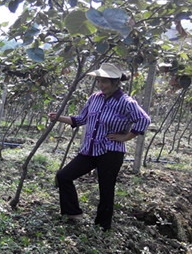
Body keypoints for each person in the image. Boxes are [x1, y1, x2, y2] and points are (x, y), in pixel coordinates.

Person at [48, 63, 151, 230]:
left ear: (115, 82)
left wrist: (126, 137)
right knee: (63, 176)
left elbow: (144, 119)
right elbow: (81, 119)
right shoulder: (94, 98)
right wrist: (58, 117)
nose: (101, 85)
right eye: (99, 81)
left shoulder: (125, 102)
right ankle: (73, 213)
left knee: (106, 188)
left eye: (105, 82)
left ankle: (102, 226)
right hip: (89, 150)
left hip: (111, 151)